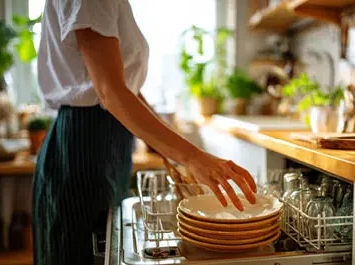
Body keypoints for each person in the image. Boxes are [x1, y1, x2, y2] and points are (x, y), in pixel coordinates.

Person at [32, 0, 257, 264]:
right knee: (78, 252)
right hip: (82, 146)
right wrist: (192, 157)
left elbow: (128, 92)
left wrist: (172, 149)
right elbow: (110, 93)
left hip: (106, 143)